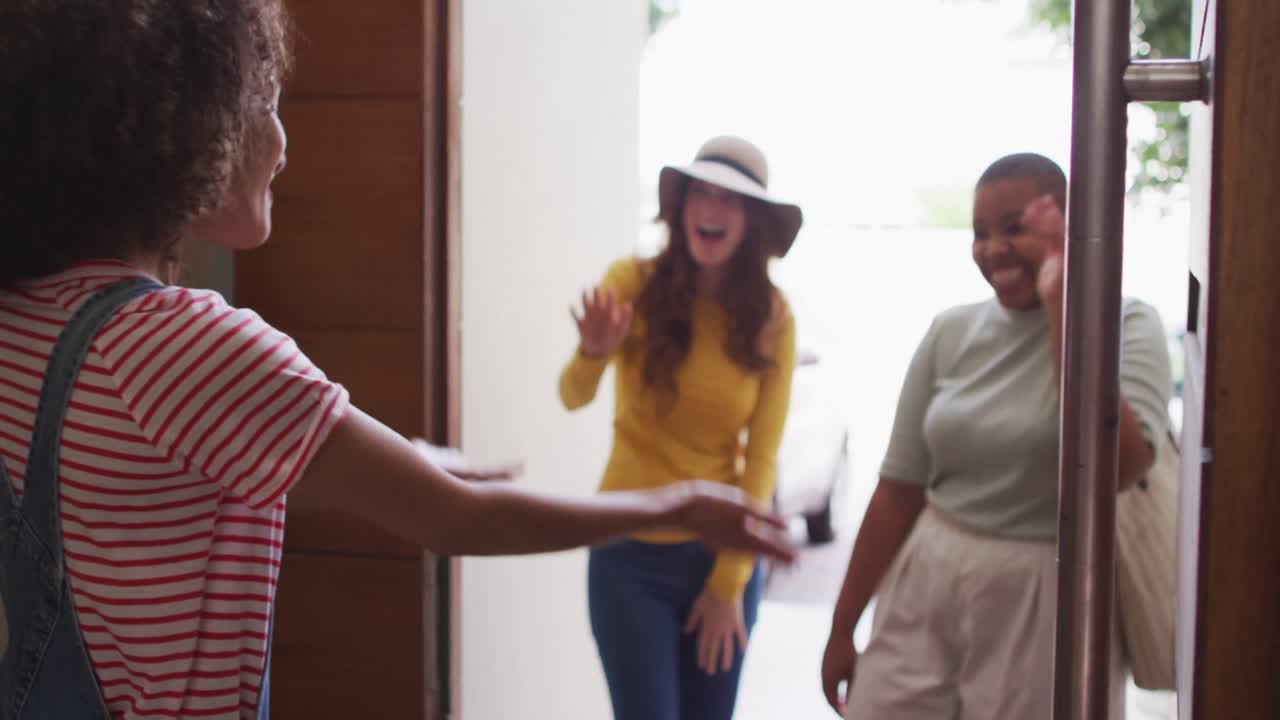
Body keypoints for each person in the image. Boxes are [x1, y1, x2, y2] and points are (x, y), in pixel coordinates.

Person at [0, 5, 796, 719]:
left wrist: (401, 459)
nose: (280, 141)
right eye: (259, 101)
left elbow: (155, 487)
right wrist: (680, 505)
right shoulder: (189, 346)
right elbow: (455, 517)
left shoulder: (30, 318)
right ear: (173, 126)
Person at [820, 153, 1173, 719]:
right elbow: (898, 488)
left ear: (1070, 226)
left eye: (1015, 228)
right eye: (981, 232)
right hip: (927, 573)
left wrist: (1062, 299)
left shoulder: (1128, 324)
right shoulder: (951, 330)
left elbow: (1122, 466)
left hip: (1045, 586)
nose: (991, 249)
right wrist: (843, 628)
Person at [560, 135, 803, 720]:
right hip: (627, 555)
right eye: (701, 193)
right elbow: (572, 395)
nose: (711, 211)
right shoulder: (633, 282)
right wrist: (592, 352)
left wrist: (728, 585)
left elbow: (762, 459)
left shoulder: (773, 315)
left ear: (754, 223)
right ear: (680, 205)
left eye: (731, 201)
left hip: (720, 557)